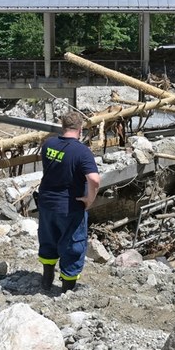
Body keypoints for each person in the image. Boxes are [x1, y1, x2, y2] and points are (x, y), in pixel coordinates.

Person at [36, 110, 101, 292]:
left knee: (48, 239)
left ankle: (47, 279)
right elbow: (95, 180)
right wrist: (89, 199)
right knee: (72, 245)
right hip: (69, 206)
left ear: (62, 126)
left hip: (46, 202)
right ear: (80, 129)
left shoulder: (48, 145)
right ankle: (67, 289)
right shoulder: (82, 152)